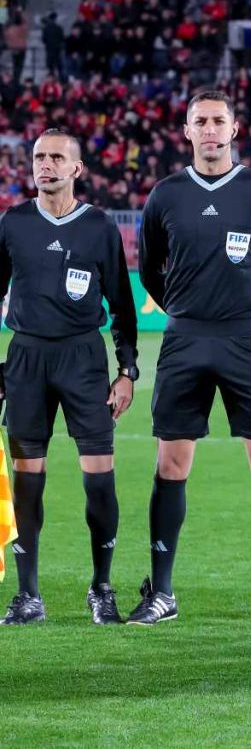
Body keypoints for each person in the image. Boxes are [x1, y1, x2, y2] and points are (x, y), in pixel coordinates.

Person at [131, 91, 251, 626]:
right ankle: (161, 593)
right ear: (187, 131)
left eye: (219, 121)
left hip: (247, 341)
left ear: (235, 129)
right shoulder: (165, 196)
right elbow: (150, 269)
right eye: (200, 122)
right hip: (185, 341)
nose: (210, 130)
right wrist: (185, 312)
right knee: (171, 462)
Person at [0, 128, 138, 625]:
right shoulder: (12, 223)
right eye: (39, 156)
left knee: (99, 478)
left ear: (77, 168)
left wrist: (126, 372)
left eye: (57, 157)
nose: (46, 164)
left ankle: (101, 587)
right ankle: (28, 595)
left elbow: (122, 305)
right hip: (27, 360)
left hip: (83, 360)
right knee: (27, 479)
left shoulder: (99, 227)